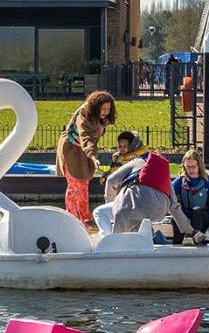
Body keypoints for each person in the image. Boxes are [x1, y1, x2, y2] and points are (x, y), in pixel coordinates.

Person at [94, 150, 194, 240]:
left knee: (99, 212)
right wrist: (189, 231)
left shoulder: (137, 162)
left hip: (131, 207)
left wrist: (113, 204)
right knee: (139, 220)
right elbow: (174, 206)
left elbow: (111, 180)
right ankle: (152, 237)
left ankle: (107, 239)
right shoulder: (163, 174)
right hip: (158, 211)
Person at [57, 90, 117, 228]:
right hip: (71, 150)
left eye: (108, 109)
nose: (105, 112)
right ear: (95, 107)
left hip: (84, 152)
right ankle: (72, 219)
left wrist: (92, 156)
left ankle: (85, 218)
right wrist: (93, 157)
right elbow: (86, 138)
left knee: (83, 184)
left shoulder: (102, 119)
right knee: (74, 185)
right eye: (103, 109)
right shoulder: (83, 115)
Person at [170, 149, 209, 245]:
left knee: (196, 211)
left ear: (199, 166)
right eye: (188, 167)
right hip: (186, 220)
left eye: (193, 166)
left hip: (204, 218)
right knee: (176, 216)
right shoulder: (180, 181)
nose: (191, 170)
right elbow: (168, 193)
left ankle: (196, 238)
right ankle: (178, 242)